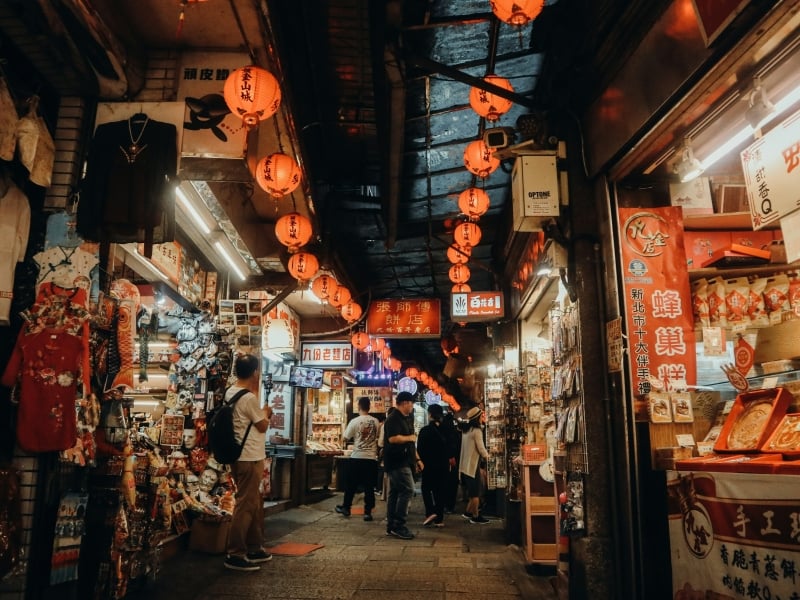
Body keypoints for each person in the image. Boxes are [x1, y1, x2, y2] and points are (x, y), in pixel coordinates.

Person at [224, 353, 273, 572]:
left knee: (253, 502)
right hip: (249, 457)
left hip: (241, 455)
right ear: (254, 373)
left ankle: (254, 547)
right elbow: (262, 425)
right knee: (245, 504)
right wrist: (266, 412)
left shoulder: (230, 393)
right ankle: (235, 553)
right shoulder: (249, 398)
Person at [383, 392, 420, 540]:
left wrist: (418, 459)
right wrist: (409, 438)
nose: (412, 407)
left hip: (403, 460)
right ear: (405, 403)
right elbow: (392, 439)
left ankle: (392, 525)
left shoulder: (406, 418)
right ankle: (399, 524)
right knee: (408, 489)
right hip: (397, 461)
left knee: (395, 492)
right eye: (411, 403)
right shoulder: (393, 418)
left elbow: (410, 443)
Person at [336, 396, 380, 521]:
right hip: (371, 458)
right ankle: (367, 512)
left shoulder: (354, 421)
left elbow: (345, 438)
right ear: (369, 407)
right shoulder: (375, 421)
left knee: (351, 485)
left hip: (357, 457)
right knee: (369, 486)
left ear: (358, 406)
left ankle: (346, 508)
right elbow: (376, 437)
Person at [416, 404, 453, 527]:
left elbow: (420, 449)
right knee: (440, 491)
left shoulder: (425, 431)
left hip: (428, 466)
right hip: (443, 465)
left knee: (426, 489)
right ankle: (439, 520)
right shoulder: (447, 430)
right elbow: (451, 447)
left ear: (430, 414)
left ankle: (430, 512)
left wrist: (419, 462)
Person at [459, 406, 490, 524]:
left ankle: (467, 512)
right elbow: (481, 448)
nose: (482, 418)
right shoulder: (476, 431)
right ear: (477, 418)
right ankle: (476, 516)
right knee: (476, 492)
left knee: (472, 491)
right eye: (481, 416)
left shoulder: (466, 430)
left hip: (465, 465)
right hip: (472, 466)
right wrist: (488, 457)